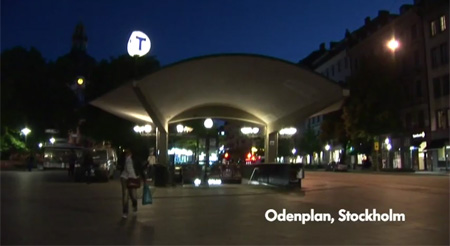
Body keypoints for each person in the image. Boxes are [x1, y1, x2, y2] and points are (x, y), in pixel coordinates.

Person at [120, 149, 147, 218]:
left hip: (133, 178)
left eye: (128, 151)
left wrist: (144, 179)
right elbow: (120, 166)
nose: (127, 153)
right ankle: (125, 212)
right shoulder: (123, 158)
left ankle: (134, 206)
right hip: (124, 177)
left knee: (133, 195)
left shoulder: (135, 159)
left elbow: (140, 169)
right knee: (125, 195)